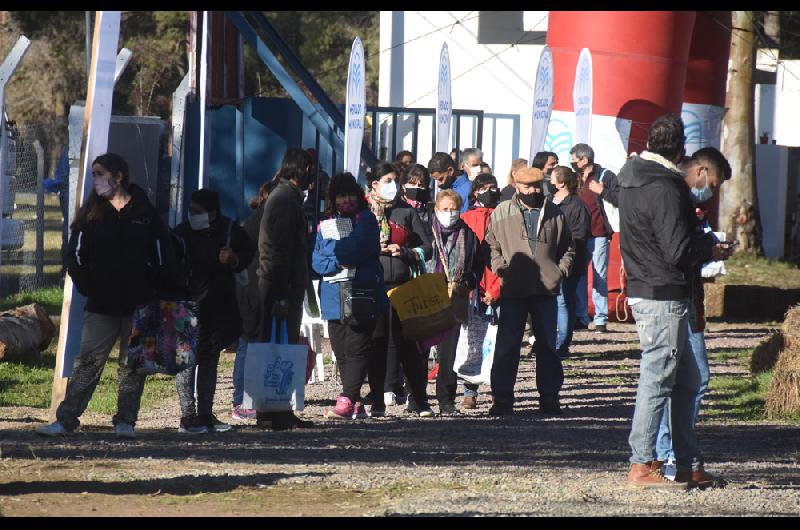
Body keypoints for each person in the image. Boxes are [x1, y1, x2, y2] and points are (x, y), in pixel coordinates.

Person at [618, 114, 730, 489]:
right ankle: (641, 464)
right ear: (681, 149)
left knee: (688, 379)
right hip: (663, 292)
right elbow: (677, 250)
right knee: (657, 378)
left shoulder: (631, 177)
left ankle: (687, 464)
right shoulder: (666, 186)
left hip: (648, 287)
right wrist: (709, 246)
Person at [36, 153, 176, 438]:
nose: (95, 179)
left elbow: (164, 255)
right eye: (94, 174)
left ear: (118, 176)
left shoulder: (145, 214)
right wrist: (89, 285)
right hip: (101, 304)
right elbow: (75, 255)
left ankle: (126, 421)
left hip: (140, 304)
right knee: (88, 362)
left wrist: (155, 289)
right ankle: (66, 419)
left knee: (132, 365)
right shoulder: (92, 214)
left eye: (100, 173)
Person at [654, 146, 733, 480]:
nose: (711, 192)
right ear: (701, 171)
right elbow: (677, 251)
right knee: (690, 379)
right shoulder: (676, 197)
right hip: (675, 298)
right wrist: (708, 248)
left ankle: (672, 455)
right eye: (713, 184)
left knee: (681, 379)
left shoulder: (679, 198)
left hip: (684, 297)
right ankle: (671, 455)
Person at [485, 167, 574, 416]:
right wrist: (500, 268)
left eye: (537, 185)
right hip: (513, 288)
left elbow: (568, 247)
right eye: (527, 186)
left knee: (547, 346)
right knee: (507, 346)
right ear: (516, 185)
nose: (533, 191)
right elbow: (492, 245)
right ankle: (502, 400)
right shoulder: (502, 211)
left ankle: (550, 399)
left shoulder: (555, 212)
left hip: (546, 289)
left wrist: (560, 271)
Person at [173, 189, 256, 435]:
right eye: (191, 211)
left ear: (212, 213)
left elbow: (248, 252)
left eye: (198, 212)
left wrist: (233, 259)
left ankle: (205, 414)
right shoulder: (181, 233)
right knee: (186, 362)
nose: (192, 215)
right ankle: (188, 415)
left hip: (217, 306)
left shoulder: (229, 230)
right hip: (187, 305)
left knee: (209, 360)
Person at [313, 172, 388, 419]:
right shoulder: (325, 224)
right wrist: (337, 261)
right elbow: (317, 261)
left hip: (360, 292)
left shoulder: (366, 220)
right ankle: (354, 402)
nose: (346, 200)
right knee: (341, 350)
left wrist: (334, 252)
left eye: (350, 194)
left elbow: (355, 249)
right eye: (340, 196)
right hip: (332, 295)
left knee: (357, 347)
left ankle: (346, 399)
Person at [366, 162, 434, 417]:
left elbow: (427, 247)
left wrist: (404, 251)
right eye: (387, 180)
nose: (392, 185)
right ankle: (377, 400)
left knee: (409, 346)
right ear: (375, 184)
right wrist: (374, 249)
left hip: (403, 287)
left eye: (395, 180)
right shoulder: (364, 213)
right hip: (374, 286)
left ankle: (420, 400)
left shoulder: (406, 211)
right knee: (377, 344)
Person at [257, 148, 316, 431]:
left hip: (284, 283)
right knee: (279, 348)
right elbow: (279, 250)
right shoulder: (284, 200)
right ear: (302, 170)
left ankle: (280, 408)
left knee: (282, 346)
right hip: (280, 285)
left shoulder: (287, 197)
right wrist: (280, 293)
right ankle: (273, 409)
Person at [427, 189, 483, 414]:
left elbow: (477, 264)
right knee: (419, 349)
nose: (449, 213)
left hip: (455, 296)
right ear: (436, 209)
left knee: (448, 352)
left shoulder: (468, 234)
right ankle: (416, 398)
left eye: (454, 209)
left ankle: (446, 400)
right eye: (445, 209)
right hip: (427, 293)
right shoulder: (427, 231)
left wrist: (467, 282)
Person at [232, 181, 275, 421]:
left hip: (255, 286)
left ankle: (250, 398)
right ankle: (241, 400)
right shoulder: (260, 220)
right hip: (252, 289)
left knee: (252, 344)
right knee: (248, 344)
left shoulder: (259, 219)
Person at [459, 174, 502, 409]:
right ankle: (470, 391)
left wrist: (496, 289)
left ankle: (499, 390)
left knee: (499, 342)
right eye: (484, 188)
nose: (489, 192)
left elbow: (509, 256)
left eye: (493, 188)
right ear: (475, 192)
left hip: (499, 286)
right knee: (472, 342)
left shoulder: (504, 216)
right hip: (474, 289)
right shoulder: (466, 218)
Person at [570, 143, 619, 333]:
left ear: (584, 159)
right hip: (579, 234)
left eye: (575, 160)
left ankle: (600, 318)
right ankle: (581, 316)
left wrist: (602, 191)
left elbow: (620, 198)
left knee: (600, 275)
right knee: (579, 275)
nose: (573, 163)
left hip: (599, 233)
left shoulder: (605, 175)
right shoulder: (574, 177)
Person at [549, 166, 590, 358]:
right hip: (549, 260)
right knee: (551, 303)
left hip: (570, 261)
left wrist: (559, 242)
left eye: (552, 177)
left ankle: (562, 345)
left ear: (561, 182)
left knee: (563, 301)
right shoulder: (549, 201)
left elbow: (580, 235)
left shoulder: (577, 206)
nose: (549, 180)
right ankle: (550, 343)